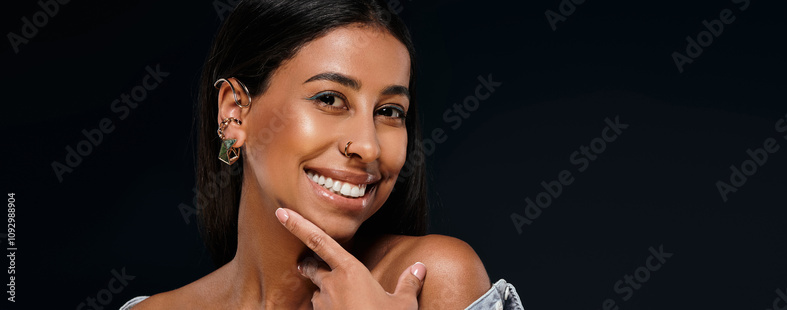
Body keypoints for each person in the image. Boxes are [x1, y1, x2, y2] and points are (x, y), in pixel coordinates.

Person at [119, 0, 522, 309]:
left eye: (389, 111)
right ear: (234, 113)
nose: (367, 146)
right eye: (330, 99)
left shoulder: (429, 278)